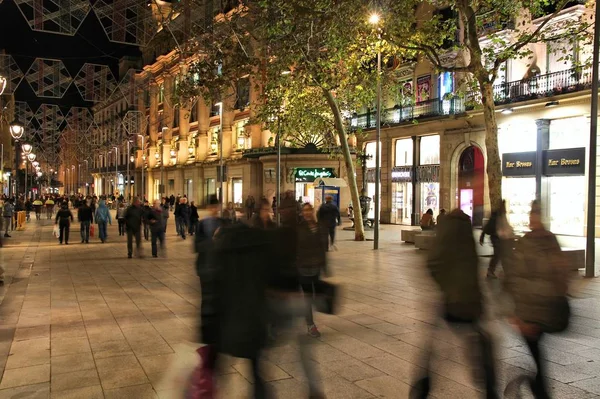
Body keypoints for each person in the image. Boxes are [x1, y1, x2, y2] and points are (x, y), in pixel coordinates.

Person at [414, 208, 497, 399]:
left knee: (439, 348)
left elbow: (441, 263)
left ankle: (423, 387)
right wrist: (452, 287)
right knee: (475, 346)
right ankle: (488, 389)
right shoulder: (456, 229)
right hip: (460, 300)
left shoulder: (455, 229)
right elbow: (436, 263)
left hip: (460, 299)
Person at [505, 201, 570, 399]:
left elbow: (558, 276)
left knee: (537, 356)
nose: (532, 218)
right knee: (538, 356)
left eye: (535, 214)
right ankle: (538, 389)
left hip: (538, 310)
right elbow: (514, 277)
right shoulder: (542, 241)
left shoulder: (542, 241)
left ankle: (536, 388)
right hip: (532, 310)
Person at [194, 195, 224, 392]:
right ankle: (206, 336)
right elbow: (196, 247)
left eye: (217, 207)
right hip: (206, 270)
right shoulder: (202, 225)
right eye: (213, 207)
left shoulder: (223, 223)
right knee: (207, 302)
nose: (215, 210)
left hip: (219, 270)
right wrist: (212, 241)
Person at [297, 203, 328, 338]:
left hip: (316, 268)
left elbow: (323, 248)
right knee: (308, 298)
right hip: (303, 268)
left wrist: (324, 266)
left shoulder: (319, 227)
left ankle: (305, 315)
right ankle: (310, 325)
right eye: (305, 211)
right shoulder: (299, 228)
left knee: (316, 297)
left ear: (313, 212)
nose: (307, 213)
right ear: (302, 213)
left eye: (309, 210)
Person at [480, 200, 513, 279]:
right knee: (498, 254)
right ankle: (491, 271)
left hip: (498, 237)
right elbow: (491, 226)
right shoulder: (497, 215)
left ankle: (502, 271)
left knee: (500, 254)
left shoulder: (500, 214)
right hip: (496, 238)